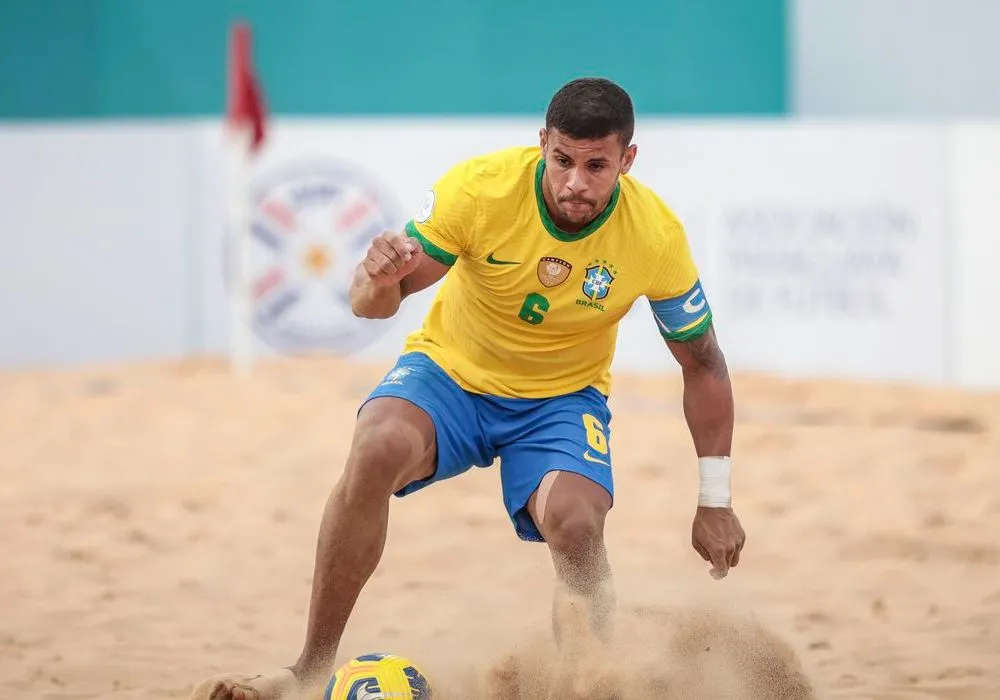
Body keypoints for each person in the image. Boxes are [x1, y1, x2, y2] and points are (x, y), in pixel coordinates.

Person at [191, 76, 746, 700]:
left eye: (596, 166)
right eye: (562, 159)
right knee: (375, 448)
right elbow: (372, 303)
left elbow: (704, 364)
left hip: (559, 400)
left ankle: (590, 681)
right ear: (542, 143)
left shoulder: (656, 236)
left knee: (577, 524)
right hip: (451, 375)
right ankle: (311, 669)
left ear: (627, 160)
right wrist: (376, 278)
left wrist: (715, 498)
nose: (574, 183)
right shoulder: (480, 189)